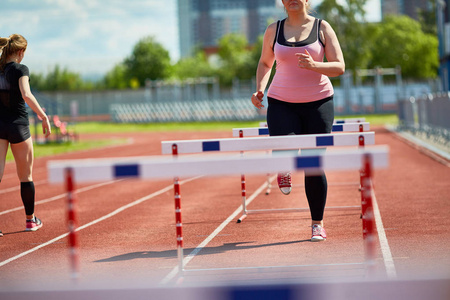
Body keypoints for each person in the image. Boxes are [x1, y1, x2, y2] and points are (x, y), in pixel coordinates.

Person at [251, 0, 345, 241]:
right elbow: (264, 62)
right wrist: (260, 89)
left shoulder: (322, 28)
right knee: (285, 147)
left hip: (319, 102)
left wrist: (316, 66)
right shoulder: (274, 30)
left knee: (313, 164)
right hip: (282, 101)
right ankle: (283, 165)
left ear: (307, 0)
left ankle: (317, 224)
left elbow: (340, 67)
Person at [0, 34, 51, 234]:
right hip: (18, 126)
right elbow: (26, 94)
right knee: (25, 176)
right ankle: (30, 221)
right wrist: (43, 116)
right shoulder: (21, 69)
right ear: (21, 52)